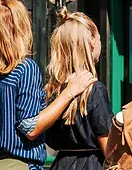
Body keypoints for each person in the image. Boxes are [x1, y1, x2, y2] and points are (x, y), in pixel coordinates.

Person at [0, 0, 96, 170]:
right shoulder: (25, 68)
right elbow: (30, 128)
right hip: (19, 164)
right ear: (21, 26)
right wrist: (69, 92)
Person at [44, 10, 114, 170]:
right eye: (99, 39)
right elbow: (108, 148)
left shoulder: (52, 90)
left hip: (60, 164)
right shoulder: (94, 90)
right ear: (91, 43)